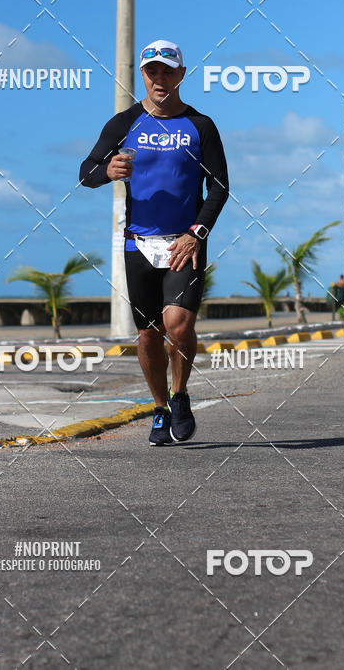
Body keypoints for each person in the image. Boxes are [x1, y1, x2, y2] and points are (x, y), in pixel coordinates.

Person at [79, 39, 229, 445]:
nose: (159, 79)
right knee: (147, 335)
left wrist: (197, 233)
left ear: (181, 75)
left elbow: (218, 188)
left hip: (185, 243)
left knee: (177, 326)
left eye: (168, 71)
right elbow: (85, 171)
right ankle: (161, 407)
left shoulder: (201, 127)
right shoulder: (124, 123)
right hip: (138, 245)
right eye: (152, 72)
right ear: (143, 76)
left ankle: (180, 395)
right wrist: (106, 170)